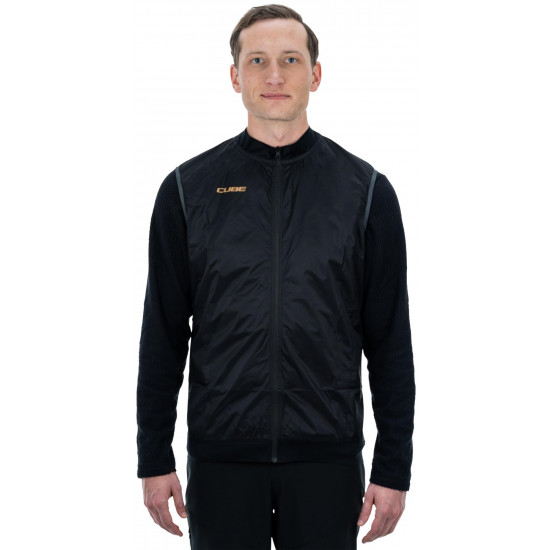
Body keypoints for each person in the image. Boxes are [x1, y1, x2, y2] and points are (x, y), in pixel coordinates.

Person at [136, 4, 416, 548]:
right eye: (257, 60)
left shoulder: (366, 193)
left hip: (327, 460)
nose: (274, 75)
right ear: (234, 76)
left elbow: (389, 342)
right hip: (220, 459)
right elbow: (162, 335)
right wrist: (153, 456)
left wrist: (393, 466)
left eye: (290, 59)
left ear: (315, 73)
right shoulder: (187, 191)